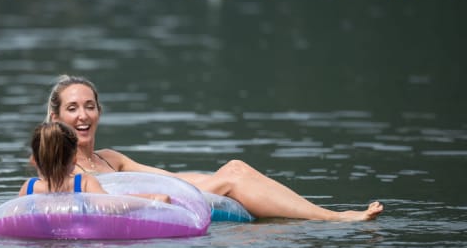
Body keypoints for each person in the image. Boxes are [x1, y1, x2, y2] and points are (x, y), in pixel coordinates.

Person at [39, 74, 383, 222]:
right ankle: (333, 218)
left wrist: (219, 181)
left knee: (233, 170)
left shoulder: (110, 159)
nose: (83, 116)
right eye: (72, 108)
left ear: (99, 111)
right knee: (232, 175)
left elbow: (169, 177)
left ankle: (327, 215)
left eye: (89, 106)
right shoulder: (59, 168)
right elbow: (49, 194)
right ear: (56, 116)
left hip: (169, 198)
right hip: (144, 213)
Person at [19, 121, 170, 203]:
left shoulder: (29, 187)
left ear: (33, 160)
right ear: (74, 159)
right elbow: (112, 205)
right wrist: (153, 198)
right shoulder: (83, 182)